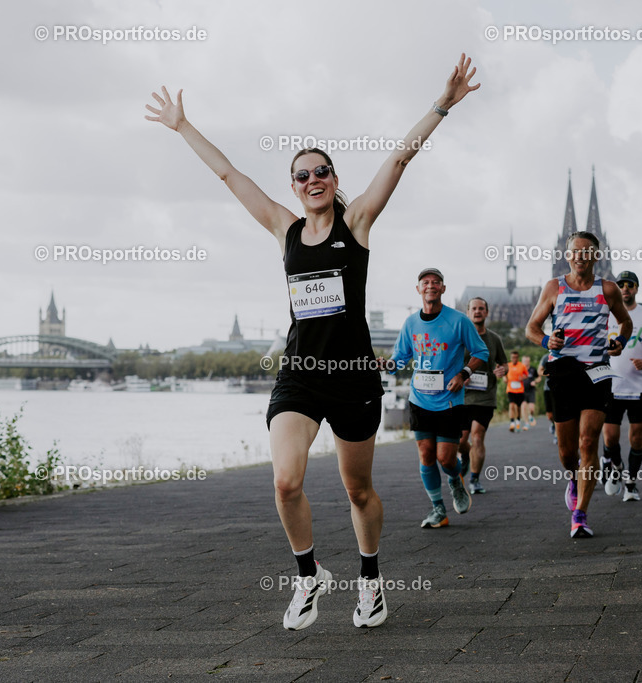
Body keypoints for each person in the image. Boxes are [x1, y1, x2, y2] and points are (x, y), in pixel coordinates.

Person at [145, 53, 481, 630]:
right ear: (294, 188)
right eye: (301, 175)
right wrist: (181, 127)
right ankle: (309, 575)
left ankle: (371, 582)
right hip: (299, 375)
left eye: (321, 171)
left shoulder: (357, 226)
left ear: (333, 180)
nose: (312, 180)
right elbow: (229, 175)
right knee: (285, 481)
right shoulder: (285, 229)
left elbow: (399, 160)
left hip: (353, 379)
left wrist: (442, 104)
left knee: (357, 491)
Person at [525, 231, 632, 538]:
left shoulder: (608, 289)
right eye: (575, 252)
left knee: (589, 442)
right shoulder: (554, 287)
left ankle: (580, 515)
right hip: (563, 373)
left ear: (596, 256)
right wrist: (548, 340)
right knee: (567, 452)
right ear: (567, 255)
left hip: (597, 372)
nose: (580, 257)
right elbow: (531, 328)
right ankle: (573, 478)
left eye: (587, 252)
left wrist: (620, 341)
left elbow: (626, 322)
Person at [390, 269, 488, 528]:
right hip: (419, 399)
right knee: (426, 455)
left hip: (449, 400)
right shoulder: (411, 323)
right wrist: (385, 364)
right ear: (418, 289)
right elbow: (400, 357)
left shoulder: (459, 321)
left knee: (445, 458)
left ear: (443, 289)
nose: (430, 286)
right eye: (426, 282)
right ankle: (438, 510)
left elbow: (481, 351)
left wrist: (464, 373)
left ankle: (456, 480)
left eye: (436, 282)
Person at [600, 272, 642, 502]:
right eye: (621, 285)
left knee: (637, 439)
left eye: (630, 285)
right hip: (611, 386)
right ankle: (616, 467)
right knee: (609, 439)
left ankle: (631, 483)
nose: (625, 288)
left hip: (639, 388)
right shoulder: (606, 315)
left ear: (637, 289)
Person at [459, 297, 508, 494]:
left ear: (487, 313)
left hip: (485, 396)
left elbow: (504, 363)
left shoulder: (494, 339)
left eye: (481, 309)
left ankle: (475, 480)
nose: (478, 312)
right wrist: (462, 374)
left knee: (477, 437)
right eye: (474, 309)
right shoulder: (459, 337)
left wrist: (502, 370)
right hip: (461, 396)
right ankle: (466, 455)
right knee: (460, 441)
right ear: (468, 313)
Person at [505, 351, 528, 432]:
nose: (514, 359)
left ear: (518, 358)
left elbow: (526, 375)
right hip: (510, 389)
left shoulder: (522, 366)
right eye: (512, 357)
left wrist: (523, 377)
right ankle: (512, 423)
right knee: (511, 405)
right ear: (511, 358)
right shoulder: (508, 365)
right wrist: (505, 378)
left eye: (516, 357)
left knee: (518, 407)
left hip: (520, 389)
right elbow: (505, 375)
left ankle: (518, 421)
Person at [538, 352, 557, 443]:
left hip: (560, 389)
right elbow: (540, 370)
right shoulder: (546, 357)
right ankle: (553, 424)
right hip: (548, 389)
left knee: (558, 413)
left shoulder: (565, 355)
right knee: (550, 415)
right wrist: (548, 373)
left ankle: (557, 435)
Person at [521, 355, 538, 429]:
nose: (526, 362)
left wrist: (535, 381)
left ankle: (531, 416)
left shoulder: (533, 369)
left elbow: (539, 377)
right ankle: (526, 423)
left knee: (531, 409)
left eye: (527, 361)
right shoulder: (520, 370)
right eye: (524, 361)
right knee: (524, 407)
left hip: (531, 391)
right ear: (522, 361)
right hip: (522, 391)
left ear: (529, 361)